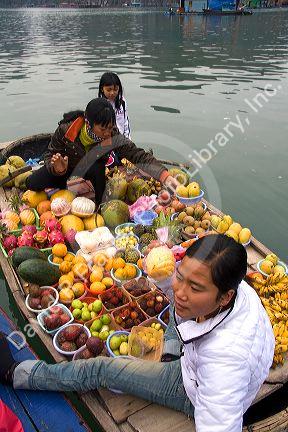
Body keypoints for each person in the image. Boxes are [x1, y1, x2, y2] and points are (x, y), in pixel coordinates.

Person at [0, 235, 275, 432]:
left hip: (195, 389)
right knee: (175, 306)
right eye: (181, 275)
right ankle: (169, 354)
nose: (180, 291)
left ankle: (17, 373)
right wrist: (167, 275)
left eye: (196, 287)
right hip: (199, 360)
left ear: (225, 297)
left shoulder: (224, 364)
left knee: (100, 370)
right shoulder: (238, 290)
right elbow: (180, 292)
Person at [26, 98, 177, 205]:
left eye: (110, 128)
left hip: (91, 170)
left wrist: (164, 176)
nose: (107, 133)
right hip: (65, 168)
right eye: (102, 129)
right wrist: (57, 168)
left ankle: (100, 206)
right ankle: (62, 182)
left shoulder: (112, 135)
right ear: (88, 123)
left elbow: (136, 154)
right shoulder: (66, 129)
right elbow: (50, 153)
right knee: (32, 183)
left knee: (98, 168)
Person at [98, 72, 131, 138]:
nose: (112, 93)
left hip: (122, 139)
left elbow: (126, 123)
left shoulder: (122, 102)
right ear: (102, 89)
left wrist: (128, 139)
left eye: (115, 89)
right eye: (108, 90)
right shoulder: (98, 105)